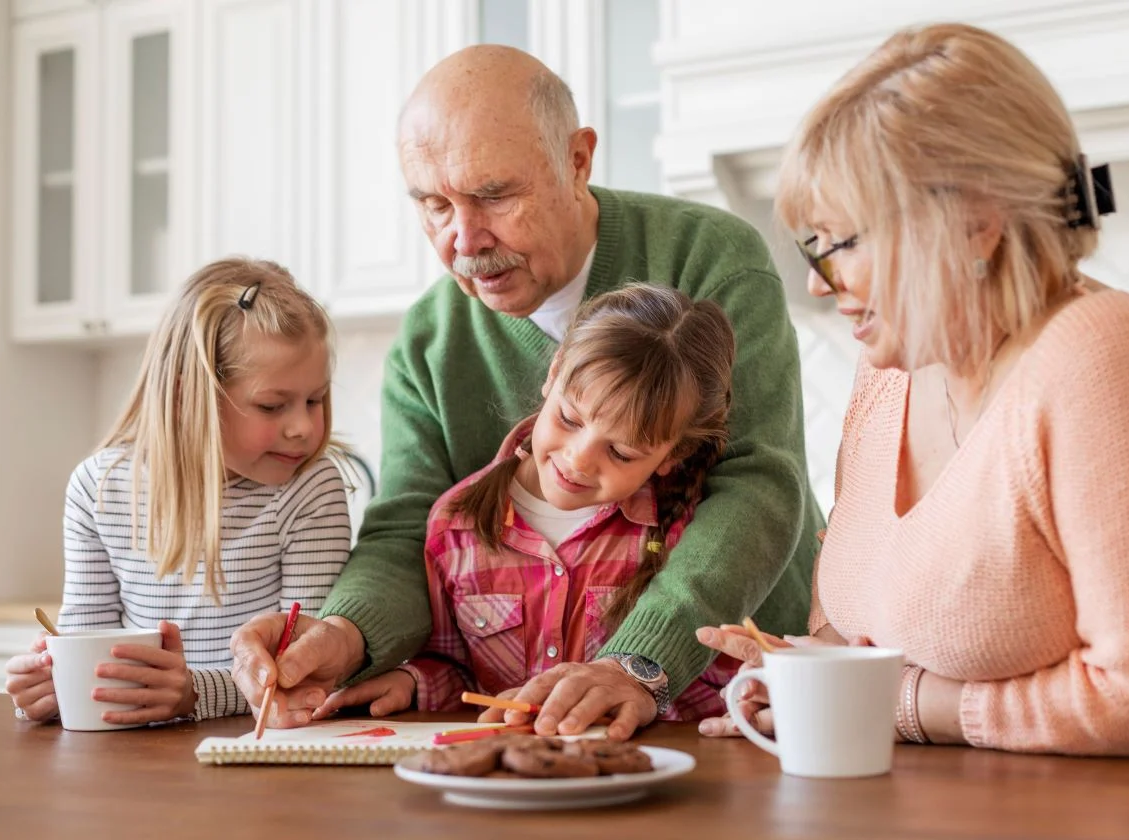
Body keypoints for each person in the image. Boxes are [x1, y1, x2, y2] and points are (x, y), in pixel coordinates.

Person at [230, 44, 824, 739]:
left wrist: (638, 663)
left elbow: (757, 482)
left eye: (493, 195)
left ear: (577, 160)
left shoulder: (708, 256)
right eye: (433, 205)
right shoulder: (428, 340)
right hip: (548, 722)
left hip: (745, 706)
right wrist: (344, 631)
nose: (463, 239)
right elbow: (405, 529)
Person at [697, 23, 1129, 755]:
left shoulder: (1108, 354)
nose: (816, 281)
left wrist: (901, 703)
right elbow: (866, 622)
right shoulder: (888, 371)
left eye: (842, 244)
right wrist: (807, 673)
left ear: (975, 224)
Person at [316, 285, 739, 732]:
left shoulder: (687, 535)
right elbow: (455, 665)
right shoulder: (457, 525)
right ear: (554, 372)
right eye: (570, 419)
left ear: (674, 454)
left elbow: (712, 680)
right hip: (506, 772)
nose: (578, 459)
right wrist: (414, 682)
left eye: (621, 453)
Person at [5, 258, 352, 725]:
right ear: (190, 397)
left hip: (258, 752)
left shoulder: (310, 489)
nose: (303, 427)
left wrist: (195, 693)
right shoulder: (99, 488)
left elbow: (308, 670)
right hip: (133, 762)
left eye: (315, 400)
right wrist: (52, 686)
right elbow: (86, 644)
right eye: (273, 405)